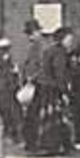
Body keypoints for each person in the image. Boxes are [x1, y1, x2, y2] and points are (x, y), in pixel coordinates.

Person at [25, 27, 74, 155]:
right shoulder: (59, 52)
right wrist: (65, 91)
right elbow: (59, 73)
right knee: (52, 116)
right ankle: (52, 145)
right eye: (69, 39)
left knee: (41, 115)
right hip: (51, 89)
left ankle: (39, 144)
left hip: (42, 87)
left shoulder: (49, 50)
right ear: (62, 39)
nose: (71, 42)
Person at [18, 19, 46, 147]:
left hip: (38, 84)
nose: (30, 36)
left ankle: (34, 141)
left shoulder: (41, 47)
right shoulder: (32, 47)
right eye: (28, 34)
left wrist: (33, 77)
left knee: (34, 114)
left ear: (38, 32)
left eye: (32, 33)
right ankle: (31, 141)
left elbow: (42, 66)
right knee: (30, 114)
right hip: (31, 83)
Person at [0, 38, 21, 143]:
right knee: (7, 112)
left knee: (9, 112)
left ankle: (11, 134)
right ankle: (10, 133)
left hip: (5, 89)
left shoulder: (3, 62)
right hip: (3, 89)